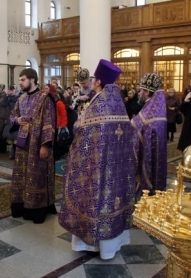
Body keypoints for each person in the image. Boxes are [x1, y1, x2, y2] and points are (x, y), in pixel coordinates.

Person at [59, 59, 136, 260]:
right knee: (112, 199)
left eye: (94, 79)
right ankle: (111, 246)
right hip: (116, 166)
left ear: (98, 81)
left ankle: (92, 244)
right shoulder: (117, 103)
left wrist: (77, 124)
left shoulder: (99, 103)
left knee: (95, 197)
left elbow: (81, 128)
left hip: (97, 164)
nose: (92, 81)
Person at [10, 68, 56, 224]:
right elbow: (12, 116)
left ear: (32, 80)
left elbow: (49, 122)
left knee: (36, 176)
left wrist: (45, 145)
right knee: (21, 175)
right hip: (23, 145)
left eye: (22, 79)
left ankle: (37, 209)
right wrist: (17, 120)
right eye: (20, 79)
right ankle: (21, 205)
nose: (20, 82)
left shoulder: (45, 98)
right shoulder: (21, 99)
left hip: (37, 144)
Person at [132, 73, 167, 196]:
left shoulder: (149, 112)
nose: (139, 93)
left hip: (148, 154)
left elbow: (136, 126)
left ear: (147, 92)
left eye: (141, 90)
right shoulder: (157, 109)